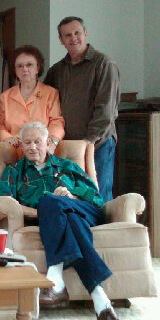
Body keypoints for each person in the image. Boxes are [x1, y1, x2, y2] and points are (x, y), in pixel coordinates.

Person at [0, 121, 124, 320]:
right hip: (59, 220)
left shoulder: (67, 166)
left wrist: (71, 195)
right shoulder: (14, 171)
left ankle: (55, 279)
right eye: (27, 142)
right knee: (62, 213)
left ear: (48, 142)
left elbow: (96, 198)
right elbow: (3, 202)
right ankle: (102, 303)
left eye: (38, 142)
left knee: (53, 203)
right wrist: (48, 210)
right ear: (21, 145)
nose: (32, 147)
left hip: (84, 211)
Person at [44, 16, 120, 202]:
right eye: (67, 35)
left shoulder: (104, 64)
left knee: (99, 197)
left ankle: (102, 224)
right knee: (73, 196)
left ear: (85, 33)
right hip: (66, 147)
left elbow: (106, 111)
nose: (73, 38)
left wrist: (87, 142)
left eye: (77, 32)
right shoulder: (56, 71)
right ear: (61, 40)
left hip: (97, 144)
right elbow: (46, 105)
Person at [0, 45, 64, 152]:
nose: (25, 69)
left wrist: (52, 141)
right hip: (14, 150)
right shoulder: (4, 97)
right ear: (15, 70)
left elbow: (56, 121)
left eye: (29, 65)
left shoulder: (50, 93)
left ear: (37, 68)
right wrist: (5, 138)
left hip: (42, 149)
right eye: (20, 66)